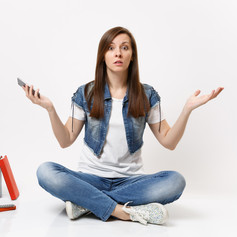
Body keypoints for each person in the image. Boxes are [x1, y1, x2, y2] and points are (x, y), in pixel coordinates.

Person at [21, 26, 223, 225]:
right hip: (90, 178)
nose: (118, 53)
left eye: (125, 47)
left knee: (175, 181)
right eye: (111, 48)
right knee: (46, 171)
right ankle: (122, 211)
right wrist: (49, 109)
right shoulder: (85, 93)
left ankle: (86, 203)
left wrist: (187, 109)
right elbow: (65, 140)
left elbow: (169, 142)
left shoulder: (147, 95)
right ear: (103, 55)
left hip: (131, 182)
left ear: (132, 55)